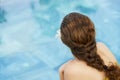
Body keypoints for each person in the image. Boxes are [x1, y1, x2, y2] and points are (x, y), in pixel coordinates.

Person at [59, 12, 120, 80]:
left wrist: (61, 73)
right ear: (93, 32)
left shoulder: (72, 70)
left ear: (64, 41)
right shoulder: (102, 47)